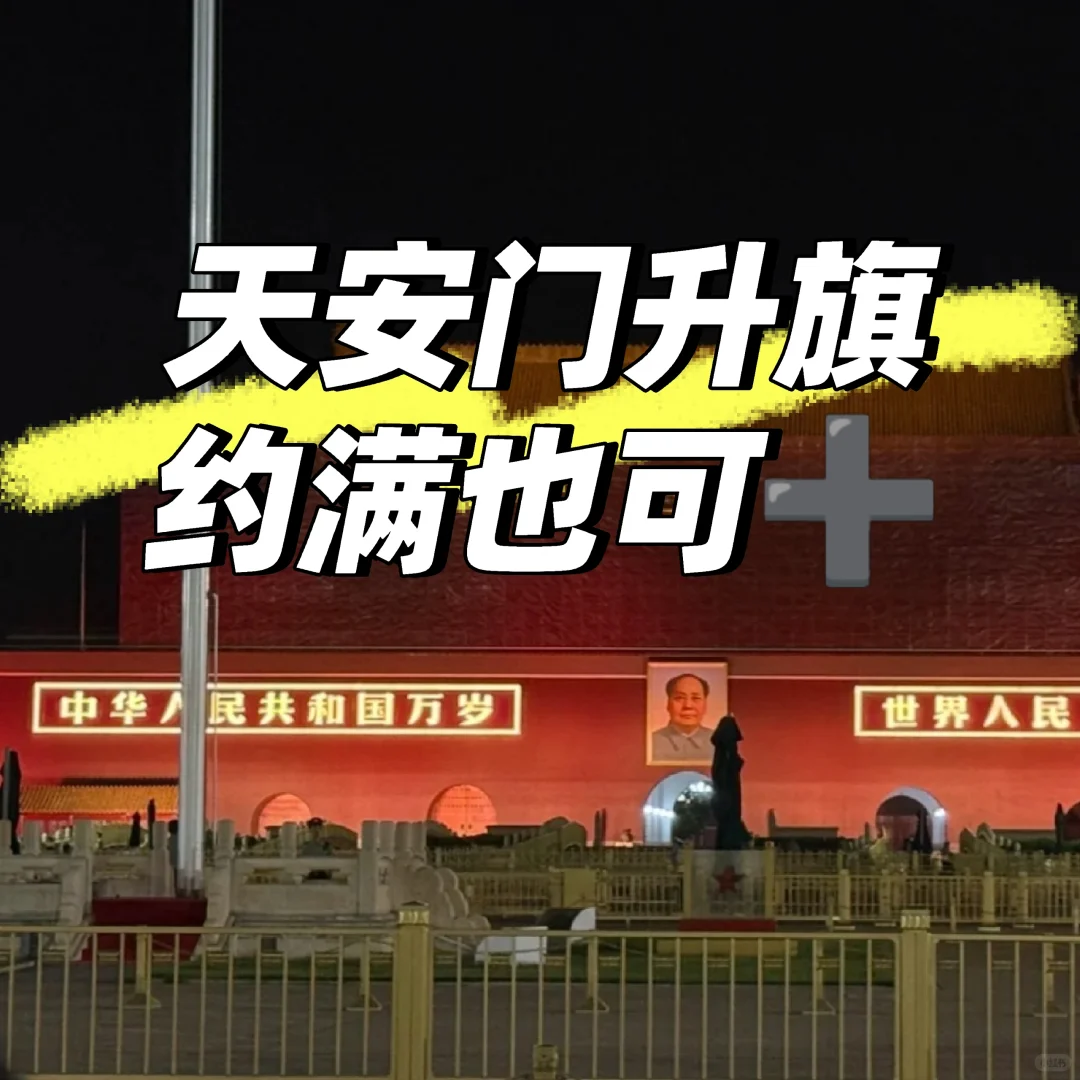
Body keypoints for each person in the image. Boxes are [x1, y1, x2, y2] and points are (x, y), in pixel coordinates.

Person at [650, 673, 716, 762]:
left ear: (705, 705)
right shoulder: (650, 742)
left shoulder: (720, 742)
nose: (688, 705)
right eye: (679, 698)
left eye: (696, 698)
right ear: (668, 704)